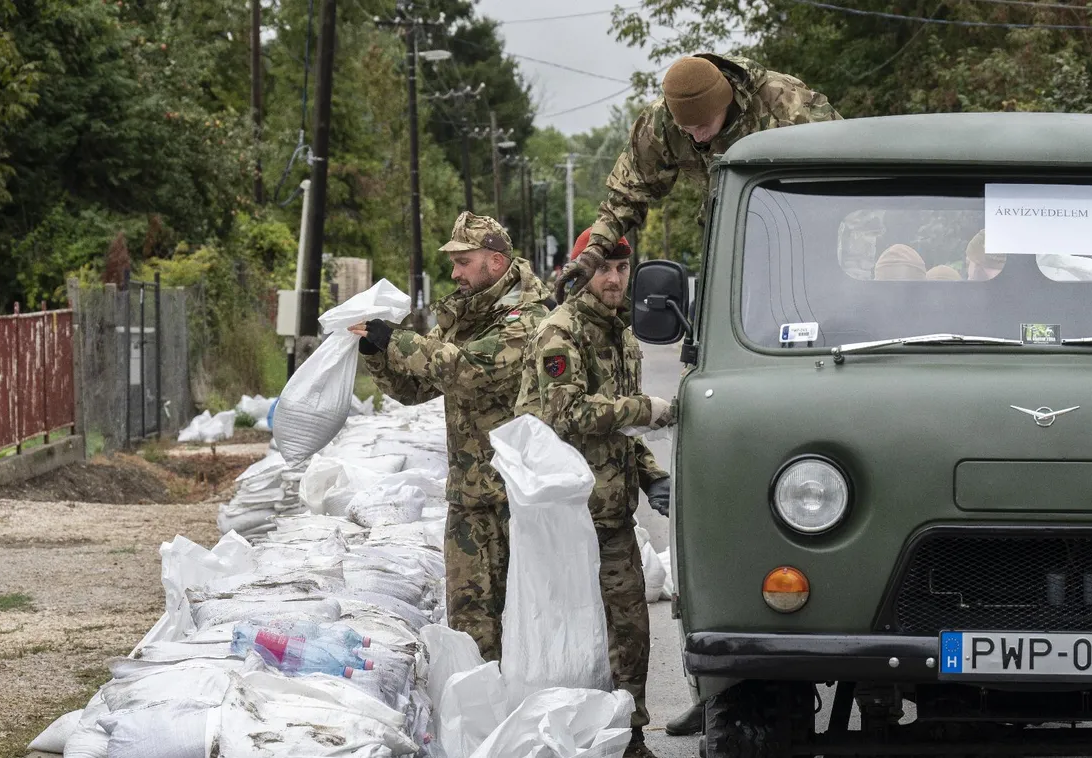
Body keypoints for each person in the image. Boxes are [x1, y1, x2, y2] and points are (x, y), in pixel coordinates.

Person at [349, 211, 549, 662]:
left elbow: (467, 371)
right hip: (469, 499)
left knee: (528, 625)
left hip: (517, 501)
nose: (454, 272)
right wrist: (376, 354)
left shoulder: (527, 317)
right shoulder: (466, 316)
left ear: (495, 262)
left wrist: (397, 340)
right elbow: (416, 387)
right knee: (470, 627)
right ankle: (481, 722)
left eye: (463, 261)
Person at [517, 227, 675, 758]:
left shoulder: (622, 336)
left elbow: (623, 433)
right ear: (583, 272)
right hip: (567, 524)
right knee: (570, 641)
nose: (614, 278)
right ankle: (570, 739)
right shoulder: (561, 333)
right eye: (603, 268)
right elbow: (569, 413)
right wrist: (646, 409)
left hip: (612, 519)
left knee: (630, 634)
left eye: (622, 268)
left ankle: (629, 737)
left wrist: (653, 474)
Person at [556, 53, 842, 302]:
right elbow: (625, 195)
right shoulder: (661, 122)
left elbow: (852, 172)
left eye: (703, 125)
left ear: (726, 104)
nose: (697, 135)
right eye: (687, 128)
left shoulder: (785, 104)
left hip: (806, 230)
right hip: (729, 238)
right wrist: (594, 253)